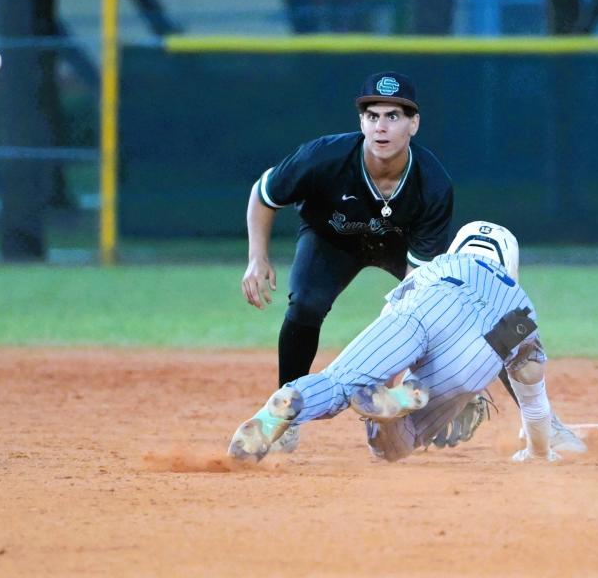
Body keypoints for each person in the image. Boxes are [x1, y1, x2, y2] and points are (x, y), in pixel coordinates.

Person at [229, 221, 577, 464]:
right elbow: (532, 394)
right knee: (395, 446)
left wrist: (375, 382)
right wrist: (538, 452)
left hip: (428, 301)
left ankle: (285, 406)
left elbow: (390, 321)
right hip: (481, 346)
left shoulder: (437, 265)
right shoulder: (520, 308)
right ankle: (400, 406)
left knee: (338, 382)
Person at [241, 71, 454, 451]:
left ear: (414, 124)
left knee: (437, 312)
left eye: (394, 116)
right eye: (372, 116)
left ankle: (435, 398)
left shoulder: (432, 184)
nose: (381, 127)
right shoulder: (323, 157)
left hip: (396, 245)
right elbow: (264, 193)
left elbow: (416, 290)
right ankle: (285, 413)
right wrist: (257, 258)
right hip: (330, 240)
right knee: (305, 304)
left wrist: (390, 364)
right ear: (361, 122)